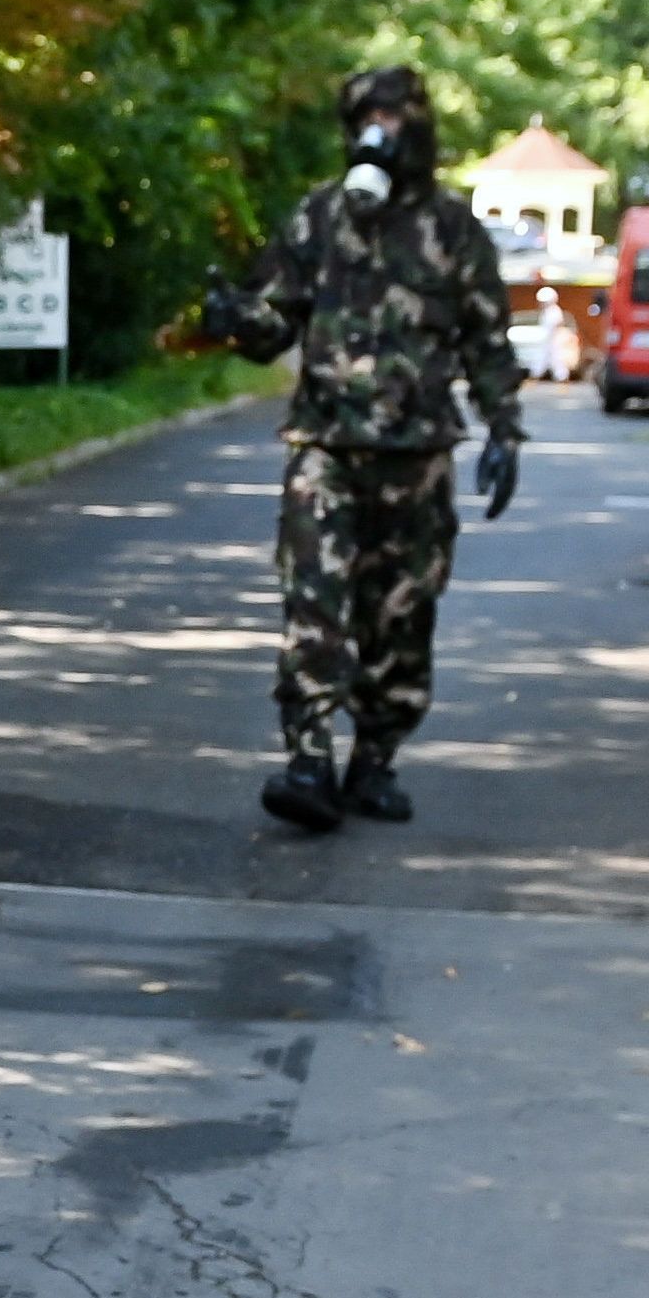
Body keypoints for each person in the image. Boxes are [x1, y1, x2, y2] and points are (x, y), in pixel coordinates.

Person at [178, 65, 524, 833]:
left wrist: (504, 428)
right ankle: (308, 759)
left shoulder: (452, 228)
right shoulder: (320, 218)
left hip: (417, 455)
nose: (383, 129)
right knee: (315, 603)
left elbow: (487, 339)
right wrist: (235, 317)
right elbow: (276, 323)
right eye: (369, 116)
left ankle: (375, 760)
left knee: (401, 615)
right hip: (327, 447)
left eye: (396, 116)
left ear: (422, 126)